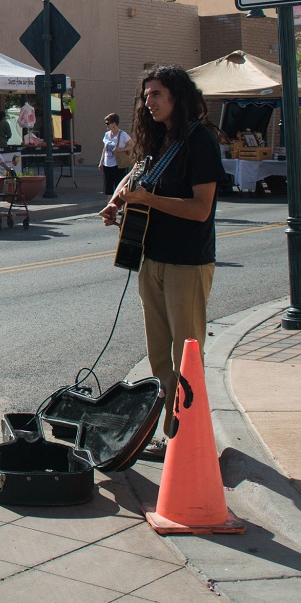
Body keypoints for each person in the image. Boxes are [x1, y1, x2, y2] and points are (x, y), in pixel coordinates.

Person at [99, 65, 224, 461]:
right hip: (151, 258)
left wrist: (147, 201)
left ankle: (190, 437)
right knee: (158, 354)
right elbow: (135, 175)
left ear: (177, 97)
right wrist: (118, 199)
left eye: (156, 94)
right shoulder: (157, 141)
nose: (148, 102)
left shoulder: (200, 140)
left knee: (186, 353)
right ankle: (171, 432)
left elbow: (201, 209)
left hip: (187, 263)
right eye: (146, 95)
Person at [99, 113, 132, 196]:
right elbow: (105, 148)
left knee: (118, 185)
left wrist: (121, 149)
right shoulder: (107, 135)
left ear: (114, 124)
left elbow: (131, 145)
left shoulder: (123, 135)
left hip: (118, 164)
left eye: (108, 123)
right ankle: (109, 205)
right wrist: (101, 161)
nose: (106, 125)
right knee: (108, 187)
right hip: (107, 164)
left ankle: (119, 205)